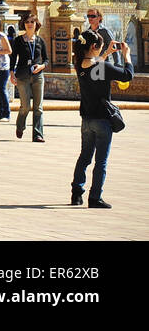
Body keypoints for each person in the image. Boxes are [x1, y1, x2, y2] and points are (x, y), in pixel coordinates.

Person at [71, 29, 133, 209]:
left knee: (84, 157)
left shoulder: (79, 64)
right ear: (93, 46)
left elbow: (94, 67)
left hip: (87, 119)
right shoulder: (101, 67)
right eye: (100, 46)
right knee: (101, 161)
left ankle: (76, 194)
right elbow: (127, 75)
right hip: (102, 121)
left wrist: (105, 54)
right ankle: (95, 197)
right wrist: (126, 55)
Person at [10, 13, 48, 142]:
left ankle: (38, 134)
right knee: (25, 106)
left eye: (32, 21)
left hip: (37, 76)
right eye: (27, 22)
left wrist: (41, 66)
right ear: (24, 24)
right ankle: (20, 126)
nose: (30, 24)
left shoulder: (40, 41)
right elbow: (13, 57)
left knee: (38, 107)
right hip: (22, 76)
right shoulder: (18, 40)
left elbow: (46, 60)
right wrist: (11, 73)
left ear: (36, 24)